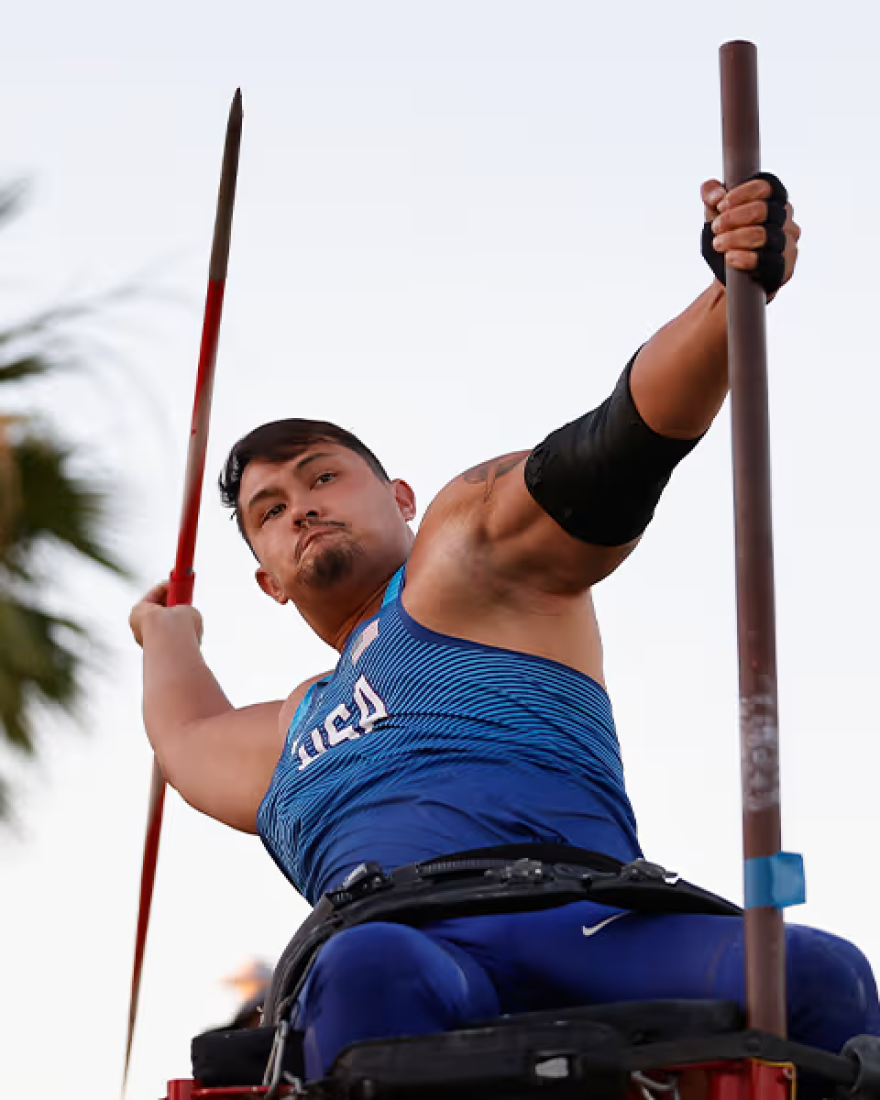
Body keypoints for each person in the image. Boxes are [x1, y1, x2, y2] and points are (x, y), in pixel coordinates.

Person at [130, 175, 879, 1090]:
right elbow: (182, 734)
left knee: (819, 972)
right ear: (268, 582)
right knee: (366, 973)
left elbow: (616, 443)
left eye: (324, 477)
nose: (303, 510)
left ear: (400, 497)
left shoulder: (462, 564)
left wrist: (728, 296)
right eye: (271, 509)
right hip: (401, 947)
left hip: (595, 917)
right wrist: (165, 630)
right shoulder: (282, 742)